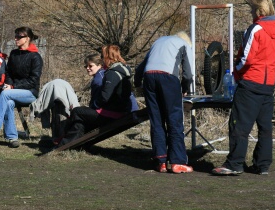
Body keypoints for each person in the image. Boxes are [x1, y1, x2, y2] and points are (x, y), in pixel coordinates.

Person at [212, 0, 275, 176]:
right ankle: (262, 165)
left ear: (258, 11)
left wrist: (236, 74)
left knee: (239, 125)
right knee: (265, 127)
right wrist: (269, 70)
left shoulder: (255, 29)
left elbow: (246, 58)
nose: (250, 13)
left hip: (250, 83)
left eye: (251, 10)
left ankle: (235, 163)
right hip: (268, 85)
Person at [134, 31, 193, 174]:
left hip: (149, 78)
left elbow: (140, 67)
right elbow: (188, 73)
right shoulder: (184, 44)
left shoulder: (158, 42)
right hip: (168, 78)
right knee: (174, 120)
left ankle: (160, 161)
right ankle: (177, 162)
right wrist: (185, 88)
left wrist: (137, 84)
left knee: (157, 120)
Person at [0, 27, 43, 148]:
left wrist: (13, 86)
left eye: (19, 36)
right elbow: (8, 73)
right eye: (16, 36)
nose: (16, 38)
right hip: (12, 90)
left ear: (27, 38)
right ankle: (12, 138)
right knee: (8, 102)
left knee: (5, 94)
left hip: (30, 93)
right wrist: (9, 84)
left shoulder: (36, 57)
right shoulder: (14, 54)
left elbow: (33, 80)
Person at [57, 45, 133, 146]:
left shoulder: (112, 73)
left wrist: (94, 107)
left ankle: (62, 136)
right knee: (81, 119)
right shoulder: (122, 71)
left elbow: (105, 96)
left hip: (112, 114)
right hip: (119, 111)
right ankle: (66, 143)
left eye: (102, 56)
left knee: (77, 111)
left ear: (107, 56)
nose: (101, 59)